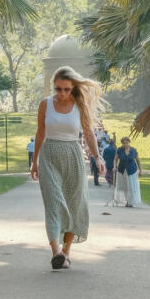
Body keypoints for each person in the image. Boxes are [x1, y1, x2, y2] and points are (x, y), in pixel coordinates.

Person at [31, 66, 102, 270]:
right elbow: (40, 133)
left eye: (66, 90)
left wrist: (98, 157)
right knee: (53, 203)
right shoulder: (45, 104)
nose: (62, 93)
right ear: (53, 86)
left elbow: (88, 134)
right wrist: (34, 161)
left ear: (73, 88)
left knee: (75, 204)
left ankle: (66, 252)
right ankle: (56, 253)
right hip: (49, 155)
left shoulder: (80, 105)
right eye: (58, 89)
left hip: (73, 155)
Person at [112, 137, 141, 207]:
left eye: (127, 143)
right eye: (124, 143)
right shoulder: (119, 150)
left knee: (131, 186)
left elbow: (138, 160)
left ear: (129, 142)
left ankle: (131, 201)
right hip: (122, 171)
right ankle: (126, 201)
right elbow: (115, 160)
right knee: (124, 187)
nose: (125, 144)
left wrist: (140, 169)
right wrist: (115, 167)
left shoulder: (133, 150)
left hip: (132, 171)